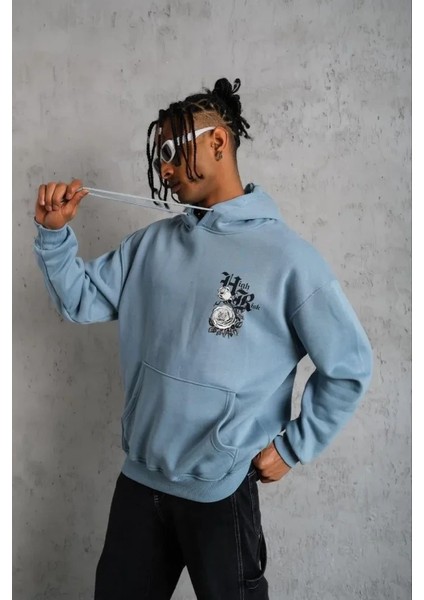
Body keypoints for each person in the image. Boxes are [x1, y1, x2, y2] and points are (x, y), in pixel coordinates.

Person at [33, 77, 373, 600]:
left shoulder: (288, 260)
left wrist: (293, 447)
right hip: (141, 482)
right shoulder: (150, 246)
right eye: (159, 157)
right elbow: (80, 300)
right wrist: (55, 236)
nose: (164, 170)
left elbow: (348, 367)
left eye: (171, 152)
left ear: (218, 142)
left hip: (222, 489)